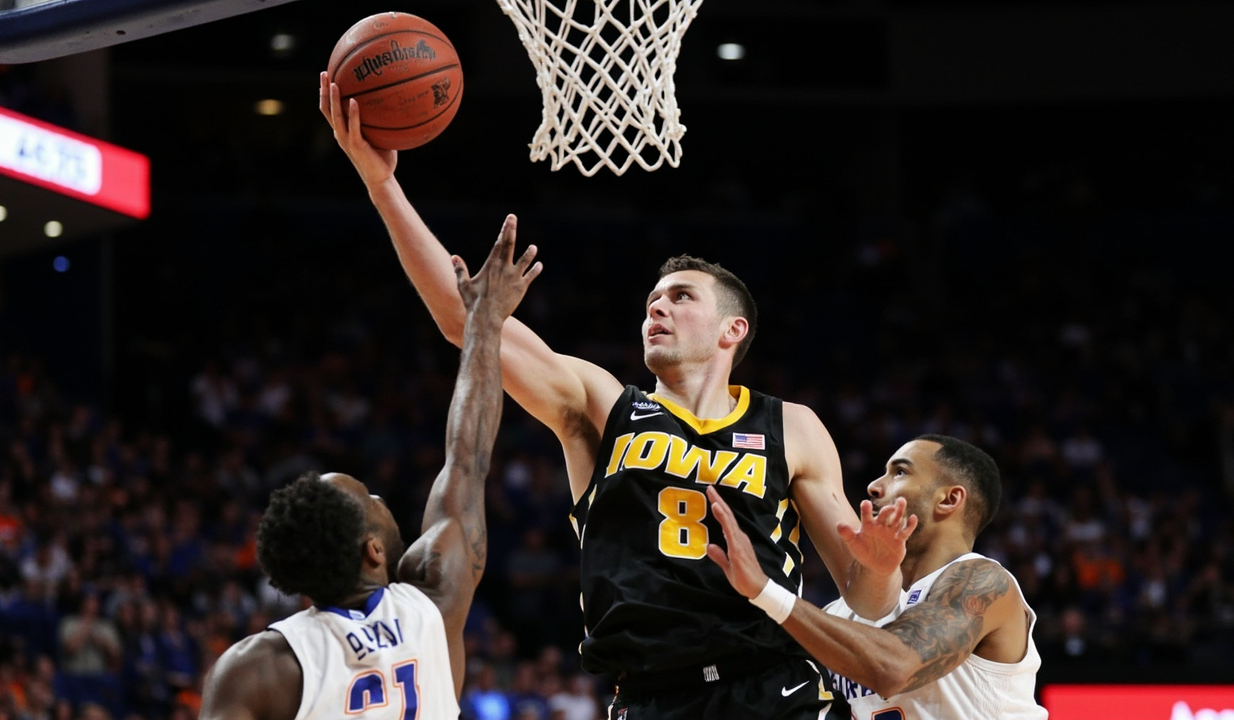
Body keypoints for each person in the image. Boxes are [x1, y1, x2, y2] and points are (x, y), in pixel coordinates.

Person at [320, 75, 901, 719]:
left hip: (775, 687)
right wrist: (382, 185)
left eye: (681, 297)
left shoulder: (792, 426)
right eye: (652, 299)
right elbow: (468, 322)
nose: (657, 307)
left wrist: (880, 566)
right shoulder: (602, 405)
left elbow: (866, 598)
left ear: (732, 330)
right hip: (650, 695)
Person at [197, 229, 542, 719]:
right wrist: (485, 320)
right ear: (373, 550)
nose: (381, 499)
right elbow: (467, 458)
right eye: (370, 499)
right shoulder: (434, 603)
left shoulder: (255, 668)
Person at [706, 434, 1049, 719]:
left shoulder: (983, 582)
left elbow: (894, 668)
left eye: (899, 472)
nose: (873, 486)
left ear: (949, 499)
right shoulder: (840, 614)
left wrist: (765, 590)